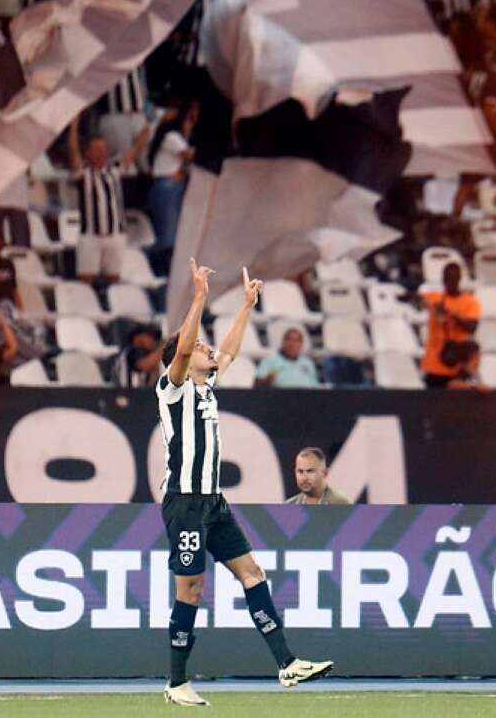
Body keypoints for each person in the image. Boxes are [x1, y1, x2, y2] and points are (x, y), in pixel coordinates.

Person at [158, 261, 332, 706]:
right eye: (199, 346)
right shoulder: (173, 387)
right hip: (185, 503)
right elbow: (181, 350)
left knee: (253, 574)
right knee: (190, 590)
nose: (207, 349)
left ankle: (287, 664)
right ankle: (177, 683)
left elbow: (230, 351)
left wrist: (247, 305)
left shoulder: (207, 384)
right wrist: (198, 296)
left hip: (213, 503)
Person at [66, 116, 151, 283]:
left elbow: (135, 150)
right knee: (85, 280)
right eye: (96, 149)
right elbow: (72, 150)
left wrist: (145, 133)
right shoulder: (83, 173)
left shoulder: (114, 169)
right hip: (90, 236)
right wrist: (74, 125)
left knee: (114, 279)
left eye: (103, 149)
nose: (101, 152)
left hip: (115, 235)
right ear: (88, 153)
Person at [147, 102, 197, 271]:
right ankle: (151, 264)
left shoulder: (179, 139)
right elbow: (190, 155)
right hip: (166, 188)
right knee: (166, 237)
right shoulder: (171, 137)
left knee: (176, 235)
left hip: (176, 185)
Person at [420, 262, 481, 388]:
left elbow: (472, 327)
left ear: (459, 279)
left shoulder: (470, 302)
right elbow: (415, 300)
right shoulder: (434, 298)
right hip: (434, 364)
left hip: (456, 363)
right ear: (443, 279)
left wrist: (451, 315)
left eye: (453, 278)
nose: (450, 282)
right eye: (447, 278)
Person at [255, 327, 321, 388]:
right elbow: (256, 385)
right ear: (283, 342)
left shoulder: (308, 363)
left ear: (301, 344)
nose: (292, 344)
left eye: (296, 341)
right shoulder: (270, 360)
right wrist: (267, 380)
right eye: (289, 339)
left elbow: (315, 386)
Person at [284, 447, 351, 505]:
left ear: (325, 473)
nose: (304, 478)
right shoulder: (288, 506)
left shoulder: (341, 504)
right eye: (300, 471)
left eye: (310, 471)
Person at [114, 323, 161, 388]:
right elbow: (144, 365)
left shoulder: (145, 353)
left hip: (139, 393)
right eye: (150, 336)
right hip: (128, 392)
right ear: (138, 337)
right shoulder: (130, 352)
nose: (153, 340)